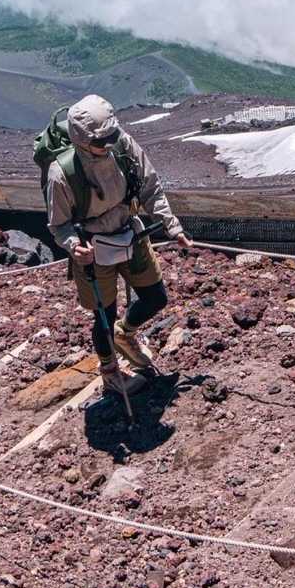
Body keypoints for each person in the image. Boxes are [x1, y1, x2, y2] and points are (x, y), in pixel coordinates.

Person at [45, 95, 191, 401]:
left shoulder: (122, 144)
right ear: (82, 141)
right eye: (102, 141)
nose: (110, 143)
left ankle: (126, 333)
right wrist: (74, 246)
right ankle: (110, 371)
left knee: (155, 296)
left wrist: (172, 226)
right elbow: (59, 225)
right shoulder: (61, 174)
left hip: (130, 232)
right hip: (93, 249)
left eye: (112, 134)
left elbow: (150, 186)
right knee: (103, 315)